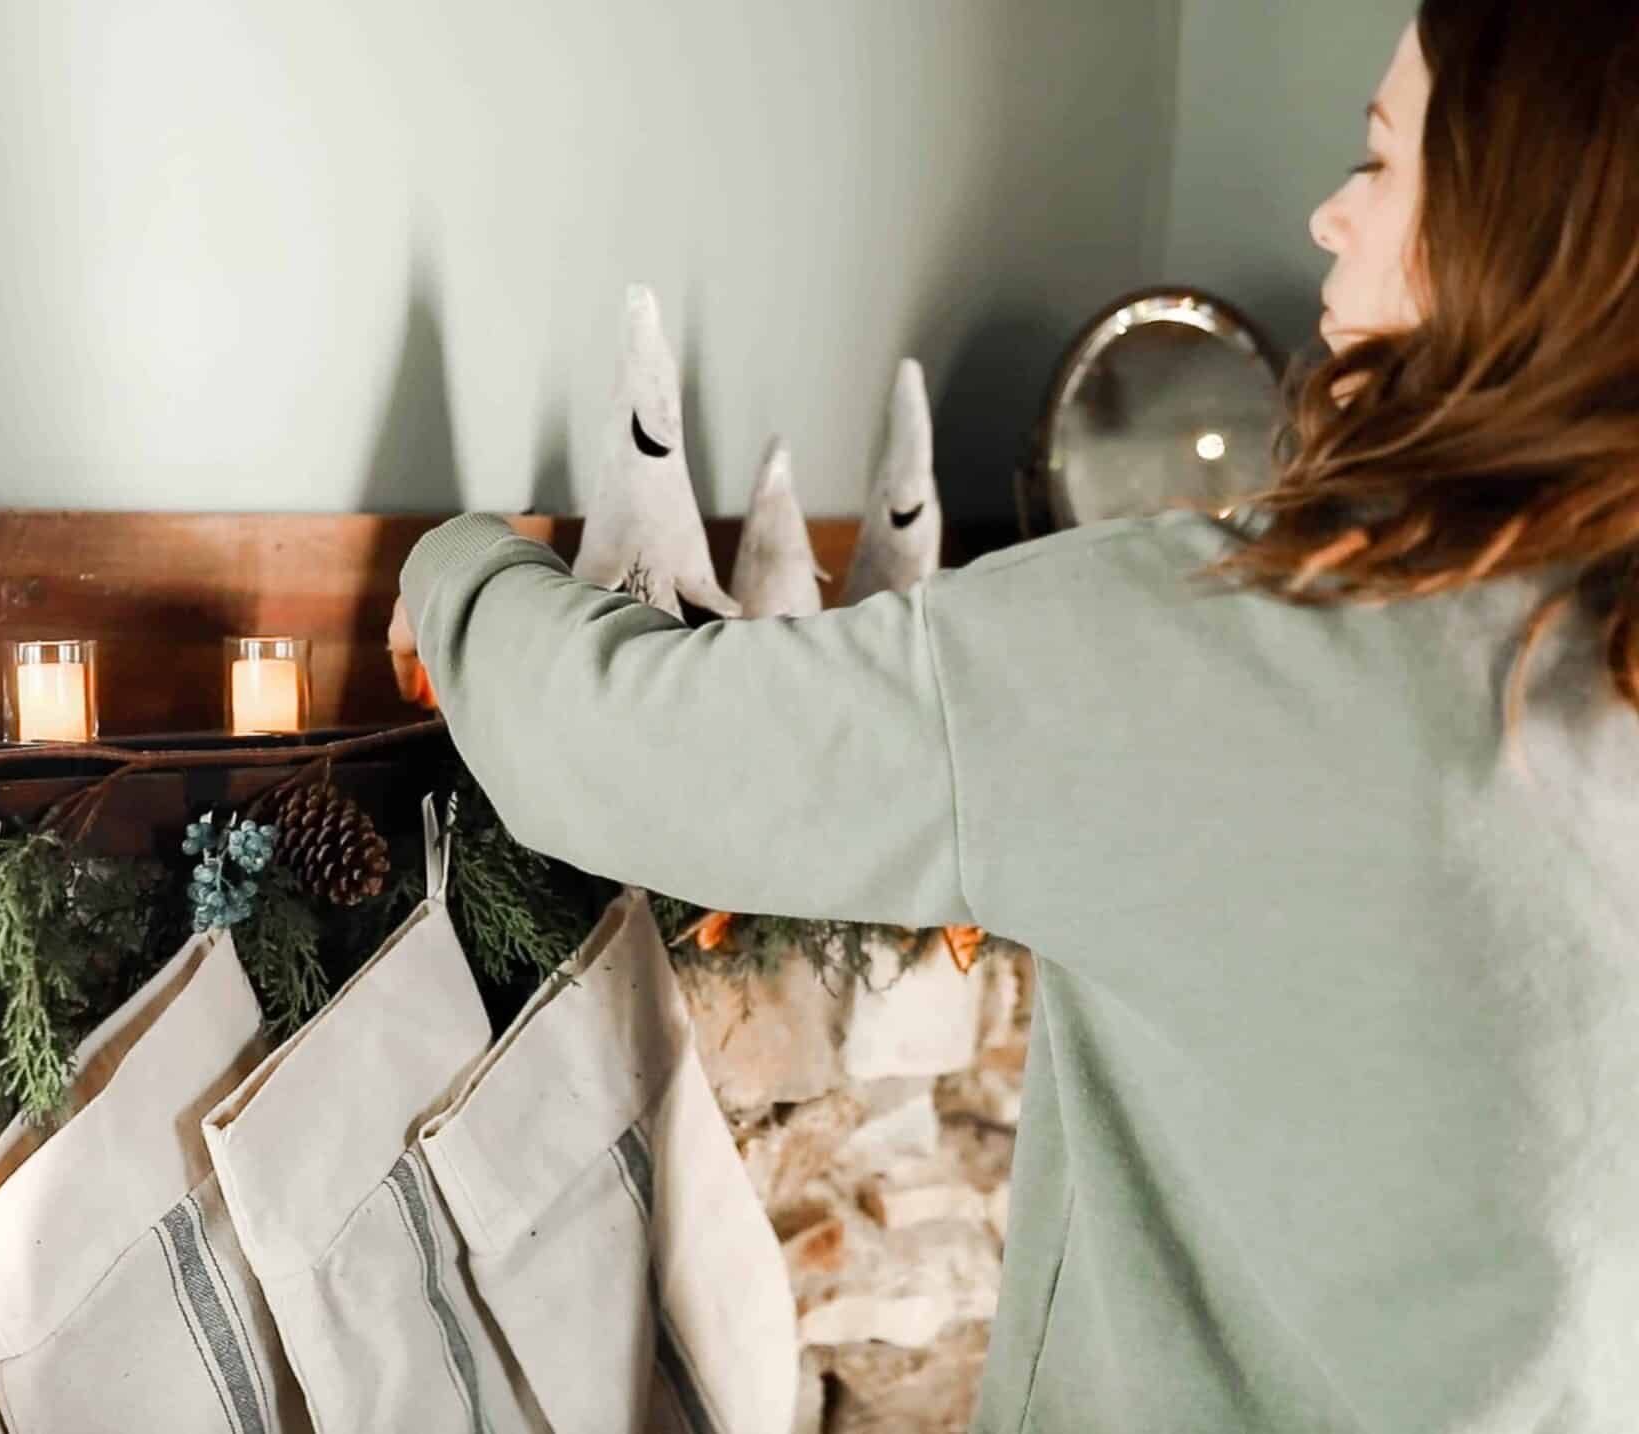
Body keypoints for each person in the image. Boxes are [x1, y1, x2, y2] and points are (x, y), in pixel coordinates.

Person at [387, 3, 1639, 1429]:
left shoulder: (1217, 652)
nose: (1329, 215)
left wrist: (459, 564)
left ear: (1520, 240)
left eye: (1383, 162)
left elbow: (621, 750)